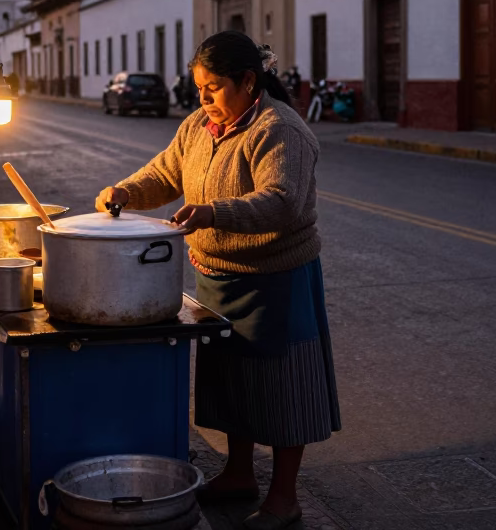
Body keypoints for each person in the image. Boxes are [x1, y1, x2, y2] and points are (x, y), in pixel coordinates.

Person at [95, 31, 339, 530]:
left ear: (249, 81)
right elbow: (164, 174)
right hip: (218, 280)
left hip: (275, 281)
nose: (202, 98)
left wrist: (212, 212)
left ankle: (285, 498)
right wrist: (124, 190)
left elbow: (283, 201)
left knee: (282, 391)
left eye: (213, 87)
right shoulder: (199, 127)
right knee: (233, 385)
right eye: (198, 87)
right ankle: (237, 474)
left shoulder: (280, 130)